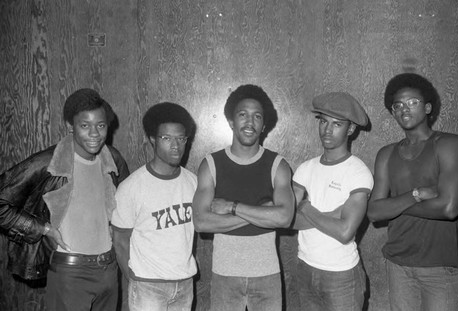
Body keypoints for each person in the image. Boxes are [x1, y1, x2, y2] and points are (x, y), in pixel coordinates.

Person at [0, 88, 129, 310]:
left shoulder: (113, 159)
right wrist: (43, 229)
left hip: (109, 269)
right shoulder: (47, 163)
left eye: (101, 125)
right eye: (85, 126)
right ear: (70, 126)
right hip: (70, 272)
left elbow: (128, 205)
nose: (95, 134)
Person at [367, 73, 458, 311]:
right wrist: (417, 194)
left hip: (440, 268)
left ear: (428, 107)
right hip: (398, 264)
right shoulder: (386, 154)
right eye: (398, 105)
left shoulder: (448, 144)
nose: (404, 109)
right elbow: (374, 212)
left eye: (413, 102)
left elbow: (449, 208)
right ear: (392, 112)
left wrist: (394, 206)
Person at [192, 84, 295, 311]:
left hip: (267, 274)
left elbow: (285, 218)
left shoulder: (278, 165)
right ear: (231, 122)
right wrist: (263, 211)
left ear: (264, 125)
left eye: (257, 116)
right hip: (225, 276)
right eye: (243, 115)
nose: (250, 123)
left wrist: (232, 207)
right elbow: (201, 222)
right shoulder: (211, 164)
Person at [112, 102, 198, 311]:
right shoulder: (132, 187)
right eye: (167, 138)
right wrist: (135, 279)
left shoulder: (193, 182)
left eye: (181, 138)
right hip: (148, 285)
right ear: (152, 139)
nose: (176, 145)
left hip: (185, 282)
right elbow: (120, 240)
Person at [291, 92, 373, 310]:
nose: (327, 130)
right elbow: (287, 219)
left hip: (342, 276)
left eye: (337, 124)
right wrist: (334, 215)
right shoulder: (305, 168)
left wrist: (305, 206)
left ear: (351, 129)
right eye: (323, 122)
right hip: (305, 268)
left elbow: (345, 232)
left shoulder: (358, 172)